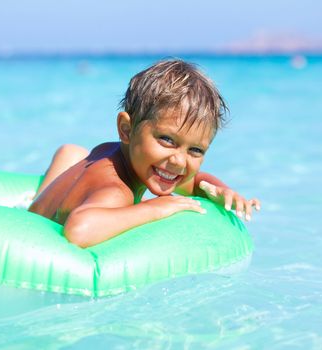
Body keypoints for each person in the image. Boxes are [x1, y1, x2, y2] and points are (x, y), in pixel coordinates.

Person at [29, 59, 260, 248]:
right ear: (126, 130)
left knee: (72, 153)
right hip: (32, 236)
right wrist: (153, 208)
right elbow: (78, 230)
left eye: (195, 150)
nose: (179, 161)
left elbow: (187, 182)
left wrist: (218, 188)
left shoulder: (115, 154)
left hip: (39, 208)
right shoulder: (116, 192)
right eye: (167, 140)